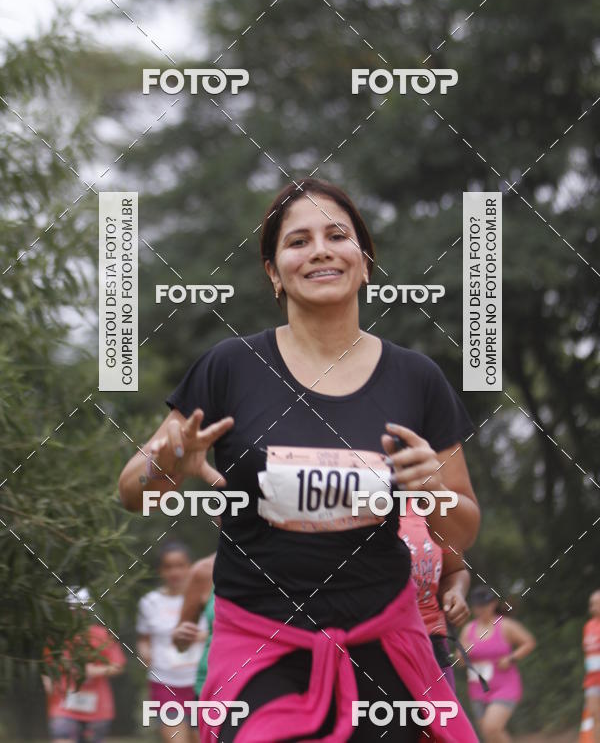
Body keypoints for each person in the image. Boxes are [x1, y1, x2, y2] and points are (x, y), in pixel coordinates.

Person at [119, 177, 481, 742]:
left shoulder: (418, 380)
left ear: (364, 261)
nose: (318, 250)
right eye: (297, 241)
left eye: (337, 235)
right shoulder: (229, 367)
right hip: (259, 646)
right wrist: (166, 462)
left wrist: (430, 486)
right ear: (273, 271)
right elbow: (133, 492)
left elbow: (460, 531)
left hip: (381, 640)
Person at [136, 541, 208, 743]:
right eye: (168, 566)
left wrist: (201, 636)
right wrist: (145, 654)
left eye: (180, 565)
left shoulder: (205, 597)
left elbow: (221, 633)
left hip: (200, 682)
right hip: (165, 682)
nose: (175, 572)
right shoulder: (149, 602)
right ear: (161, 570)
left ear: (190, 567)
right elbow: (144, 639)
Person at [399, 498, 470, 690]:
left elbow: (455, 570)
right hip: (373, 649)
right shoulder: (352, 507)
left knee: (442, 720)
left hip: (431, 648)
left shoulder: (430, 507)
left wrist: (456, 592)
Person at [43, 587, 126, 743]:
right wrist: (48, 683)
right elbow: (46, 666)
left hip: (98, 708)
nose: (77, 614)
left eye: (82, 610)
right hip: (63, 706)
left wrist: (94, 670)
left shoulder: (102, 634)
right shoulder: (58, 637)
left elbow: (118, 666)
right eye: (73, 610)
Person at [459, 585, 536, 742]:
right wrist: (461, 655)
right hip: (478, 689)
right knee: (489, 735)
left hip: (505, 686)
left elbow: (529, 642)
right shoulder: (468, 629)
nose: (480, 610)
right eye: (477, 606)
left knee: (491, 727)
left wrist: (511, 658)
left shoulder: (505, 625)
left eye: (484, 605)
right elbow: (460, 661)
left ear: (493, 604)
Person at [171, 553, 216, 699]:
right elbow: (180, 644)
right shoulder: (204, 571)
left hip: (274, 684)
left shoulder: (283, 563)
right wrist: (180, 637)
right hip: (214, 687)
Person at [581, 589, 600, 743]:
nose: (592, 607)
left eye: (596, 604)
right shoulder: (588, 626)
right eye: (591, 604)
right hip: (592, 680)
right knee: (594, 716)